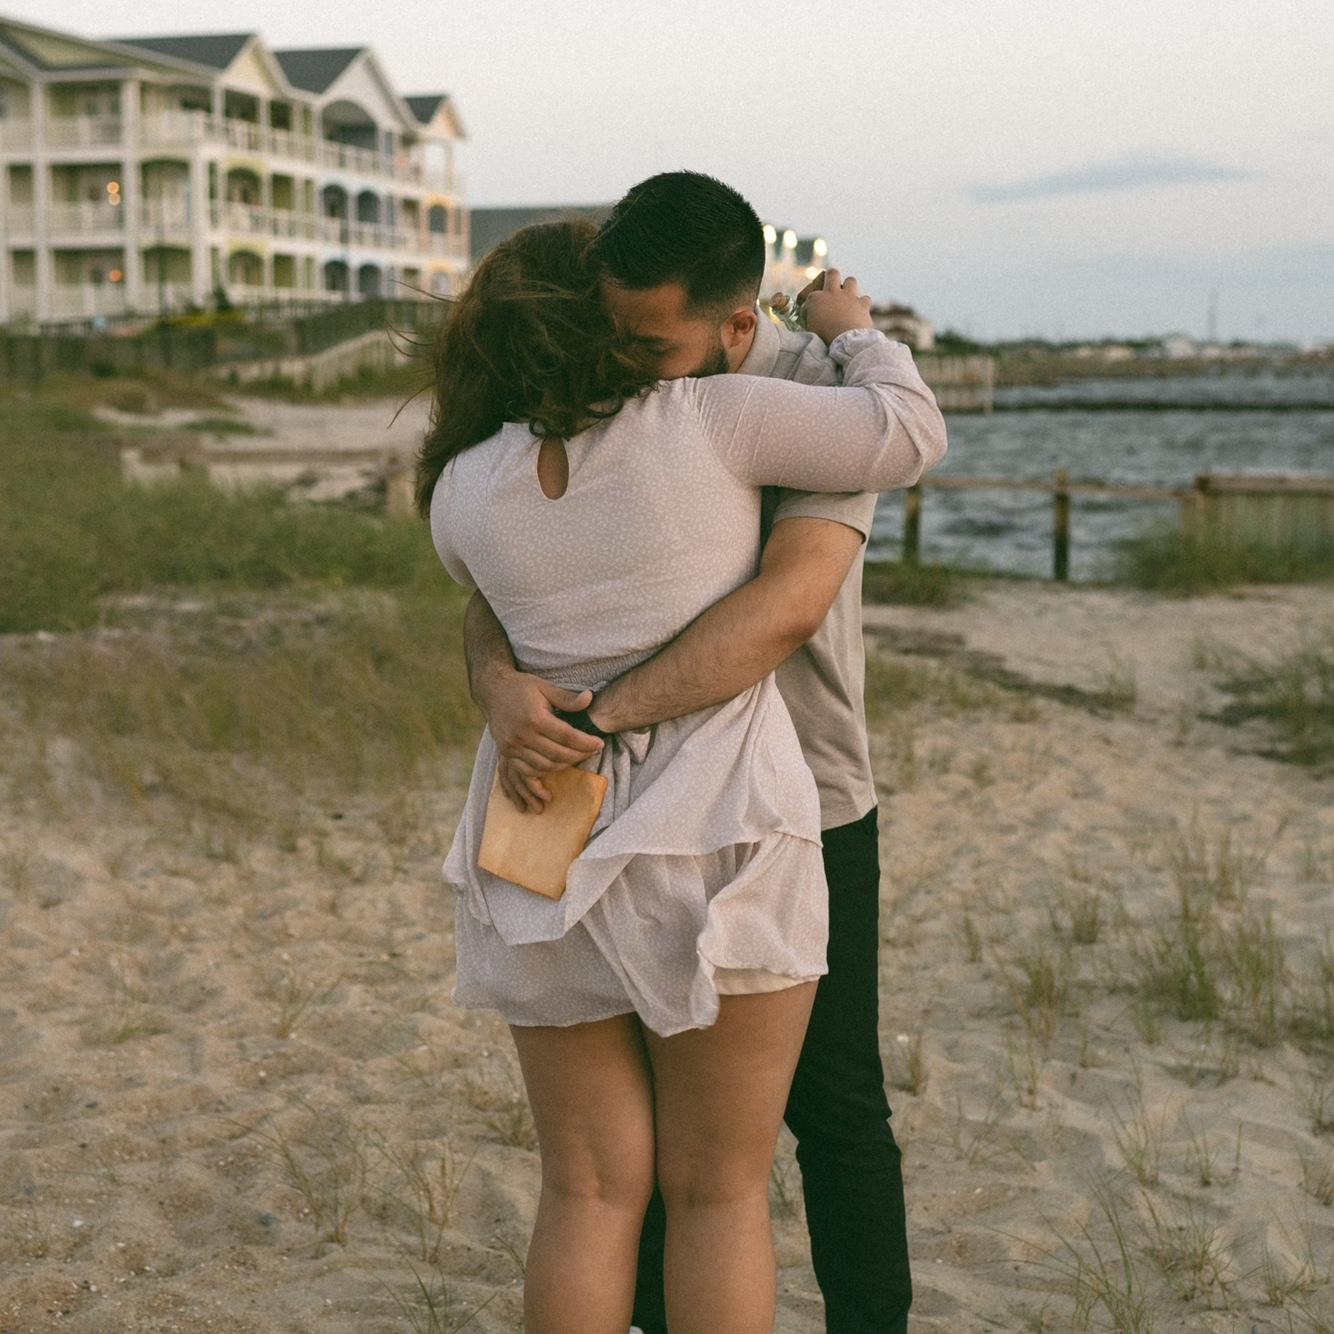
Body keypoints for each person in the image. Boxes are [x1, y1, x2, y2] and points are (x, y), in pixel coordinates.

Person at [419, 214, 945, 1334]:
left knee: (585, 1189)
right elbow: (904, 435)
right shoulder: (715, 418)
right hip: (714, 824)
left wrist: (522, 692)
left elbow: (494, 591)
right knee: (717, 1191)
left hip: (543, 824)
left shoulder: (460, 487)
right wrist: (859, 332)